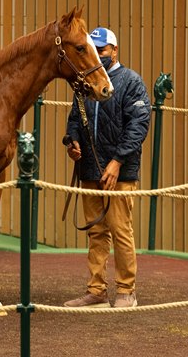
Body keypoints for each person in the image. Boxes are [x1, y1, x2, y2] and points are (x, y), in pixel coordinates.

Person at [63, 27, 151, 308]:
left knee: (120, 230)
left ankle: (126, 291)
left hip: (120, 172)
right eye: (95, 48)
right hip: (90, 169)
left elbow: (139, 126)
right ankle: (96, 291)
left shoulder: (131, 82)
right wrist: (72, 141)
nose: (99, 53)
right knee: (96, 232)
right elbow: (75, 118)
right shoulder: (85, 82)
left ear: (115, 50)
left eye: (102, 48)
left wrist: (117, 162)